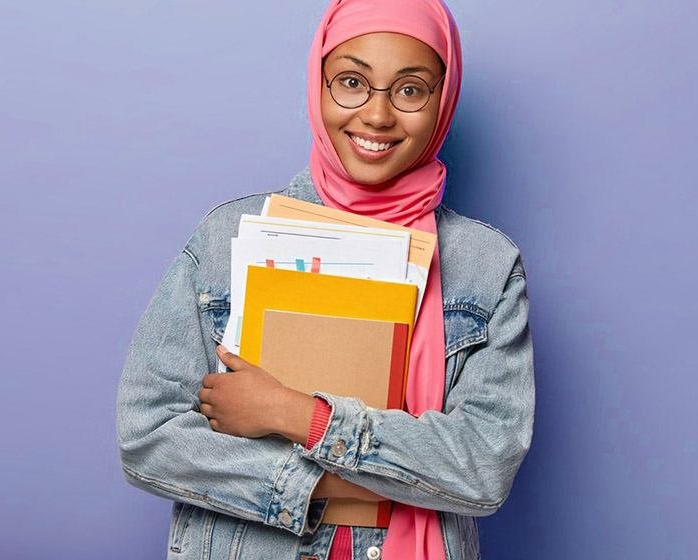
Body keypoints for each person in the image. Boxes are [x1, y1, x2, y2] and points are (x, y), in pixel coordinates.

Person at [116, 1, 535, 559]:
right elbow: (149, 433)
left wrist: (295, 415)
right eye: (352, 82)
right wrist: (313, 487)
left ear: (443, 99)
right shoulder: (227, 238)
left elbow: (484, 464)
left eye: (410, 90)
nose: (378, 116)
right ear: (318, 86)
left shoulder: (487, 264)